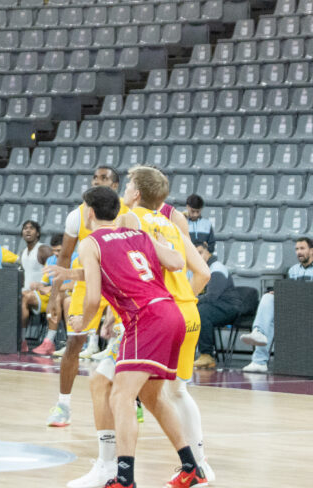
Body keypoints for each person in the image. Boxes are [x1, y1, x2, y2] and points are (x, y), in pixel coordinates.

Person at [73, 186, 206, 488]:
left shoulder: (91, 243)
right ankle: (192, 467)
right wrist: (160, 242)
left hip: (145, 318)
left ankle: (124, 478)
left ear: (89, 212)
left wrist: (84, 321)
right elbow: (175, 262)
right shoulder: (139, 235)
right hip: (171, 314)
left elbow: (93, 298)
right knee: (152, 397)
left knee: (120, 396)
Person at [121, 167, 213, 484]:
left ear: (136, 192)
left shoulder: (132, 219)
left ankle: (115, 468)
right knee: (178, 391)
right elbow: (204, 274)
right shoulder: (173, 226)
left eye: (129, 183)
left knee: (117, 386)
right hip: (188, 311)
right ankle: (198, 462)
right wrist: (185, 298)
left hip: (158, 314)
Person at [46, 166, 126, 427]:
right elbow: (64, 257)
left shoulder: (128, 214)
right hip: (86, 279)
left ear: (115, 186)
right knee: (73, 342)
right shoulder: (77, 215)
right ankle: (63, 406)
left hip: (121, 282)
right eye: (95, 177)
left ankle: (131, 400)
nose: (97, 181)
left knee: (128, 343)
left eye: (103, 178)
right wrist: (54, 297)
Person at [241, 237, 313, 373]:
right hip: (293, 309)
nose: (299, 252)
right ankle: (258, 340)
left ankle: (259, 357)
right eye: (296, 249)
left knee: (271, 320)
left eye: (302, 248)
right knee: (268, 299)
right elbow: (289, 290)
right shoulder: (293, 270)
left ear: (312, 250)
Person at [192, 243, 257, 370]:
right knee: (195, 310)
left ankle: (207, 355)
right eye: (195, 254)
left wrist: (192, 300)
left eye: (200, 252)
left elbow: (211, 297)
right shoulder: (201, 270)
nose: (198, 256)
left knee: (202, 312)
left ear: (208, 252)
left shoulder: (217, 268)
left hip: (231, 307)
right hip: (218, 306)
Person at [20, 225, 57, 351]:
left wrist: (42, 286)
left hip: (45, 294)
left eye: (31, 228)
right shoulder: (24, 251)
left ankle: (21, 339)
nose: (28, 230)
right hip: (31, 291)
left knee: (24, 297)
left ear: (38, 233)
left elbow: (55, 265)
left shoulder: (43, 249)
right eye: (25, 228)